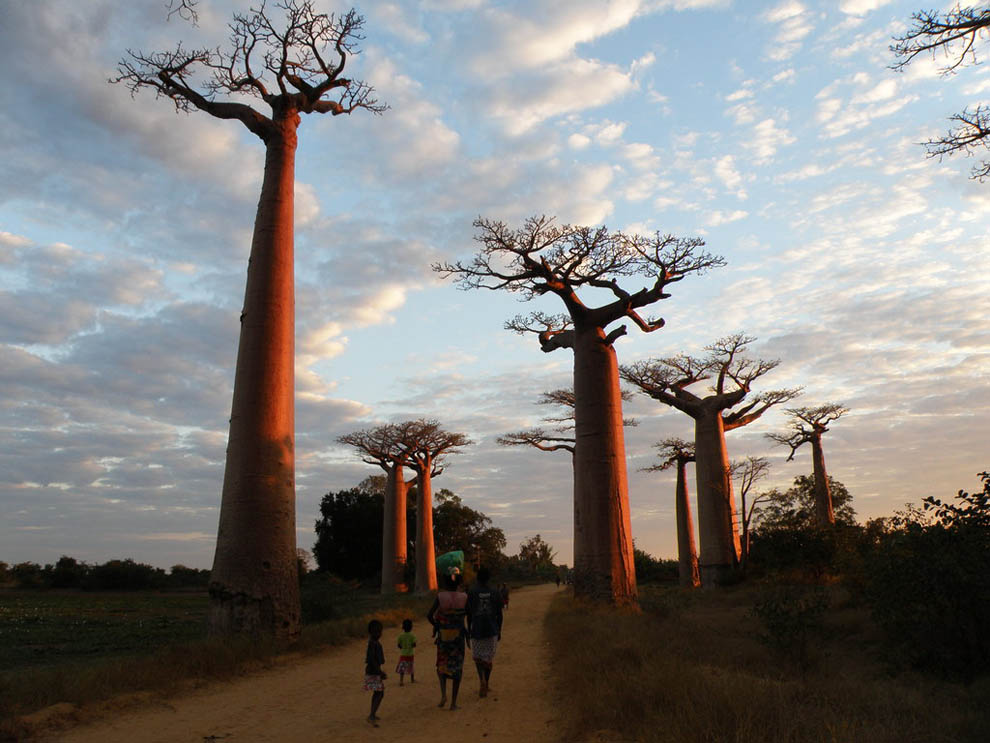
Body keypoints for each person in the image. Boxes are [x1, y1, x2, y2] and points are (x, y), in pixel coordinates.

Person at [427, 569, 469, 710]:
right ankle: (453, 703)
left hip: (444, 637)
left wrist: (437, 625)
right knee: (457, 668)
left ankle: (443, 694)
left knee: (442, 665)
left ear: (445, 582)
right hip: (458, 638)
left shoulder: (440, 596)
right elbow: (468, 616)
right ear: (458, 582)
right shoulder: (464, 597)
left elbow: (429, 615)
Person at [466, 566, 503, 698]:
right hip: (492, 629)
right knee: (488, 658)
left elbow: (469, 614)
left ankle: (481, 679)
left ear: (477, 578)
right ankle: (486, 682)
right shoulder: (495, 592)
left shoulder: (471, 592)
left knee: (478, 658)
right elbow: (499, 614)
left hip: (477, 629)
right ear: (489, 578)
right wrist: (499, 630)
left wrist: (469, 628)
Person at [363, 619, 387, 726]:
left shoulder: (374, 643)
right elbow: (371, 659)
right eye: (376, 632)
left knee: (377, 693)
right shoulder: (373, 644)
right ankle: (371, 715)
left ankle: (373, 713)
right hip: (374, 672)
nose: (378, 634)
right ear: (371, 632)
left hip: (374, 671)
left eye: (379, 632)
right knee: (379, 693)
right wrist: (380, 672)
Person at [395, 618, 416, 686]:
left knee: (402, 667)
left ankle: (401, 681)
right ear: (411, 627)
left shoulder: (401, 636)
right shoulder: (412, 636)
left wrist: (403, 647)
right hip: (410, 654)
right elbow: (414, 644)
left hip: (403, 654)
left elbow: (399, 645)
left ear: (403, 627)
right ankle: (412, 679)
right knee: (411, 666)